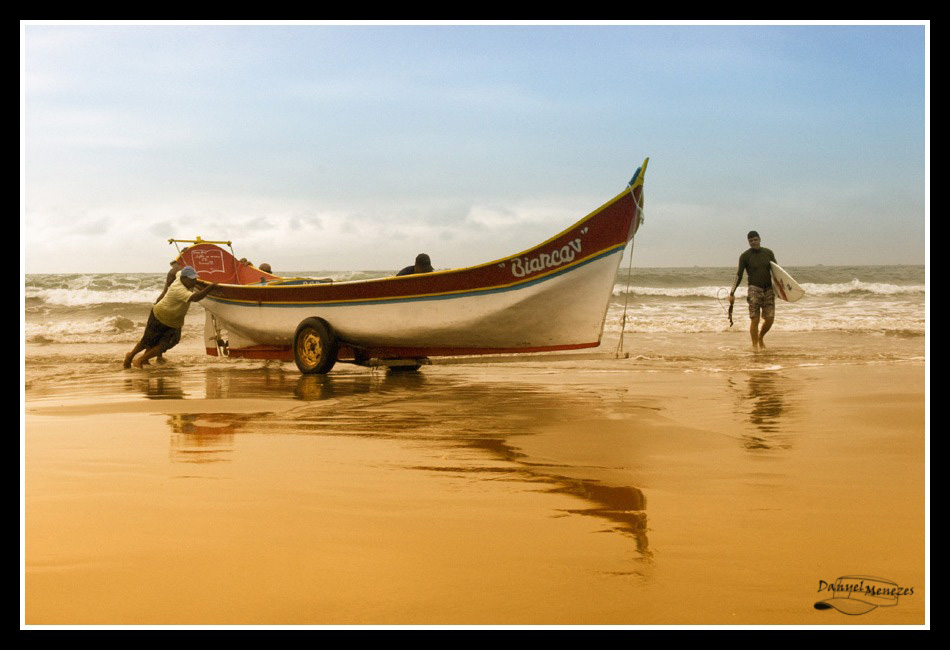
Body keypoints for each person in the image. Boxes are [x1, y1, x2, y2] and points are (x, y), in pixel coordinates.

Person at [123, 266, 218, 369]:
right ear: (183, 278)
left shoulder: (180, 276)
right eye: (191, 279)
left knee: (168, 343)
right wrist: (211, 287)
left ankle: (141, 358)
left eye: (195, 278)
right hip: (160, 315)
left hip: (174, 321)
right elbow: (195, 298)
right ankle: (134, 358)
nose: (194, 281)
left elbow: (176, 270)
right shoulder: (178, 289)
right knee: (147, 342)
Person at [728, 231, 777, 349]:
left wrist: (783, 289)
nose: (753, 242)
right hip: (754, 289)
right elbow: (739, 275)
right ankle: (755, 346)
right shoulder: (745, 256)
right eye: (751, 241)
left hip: (769, 289)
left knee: (770, 319)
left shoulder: (768, 253)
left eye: (755, 239)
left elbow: (777, 272)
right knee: (755, 319)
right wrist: (732, 293)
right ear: (748, 242)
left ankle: (760, 337)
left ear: (760, 239)